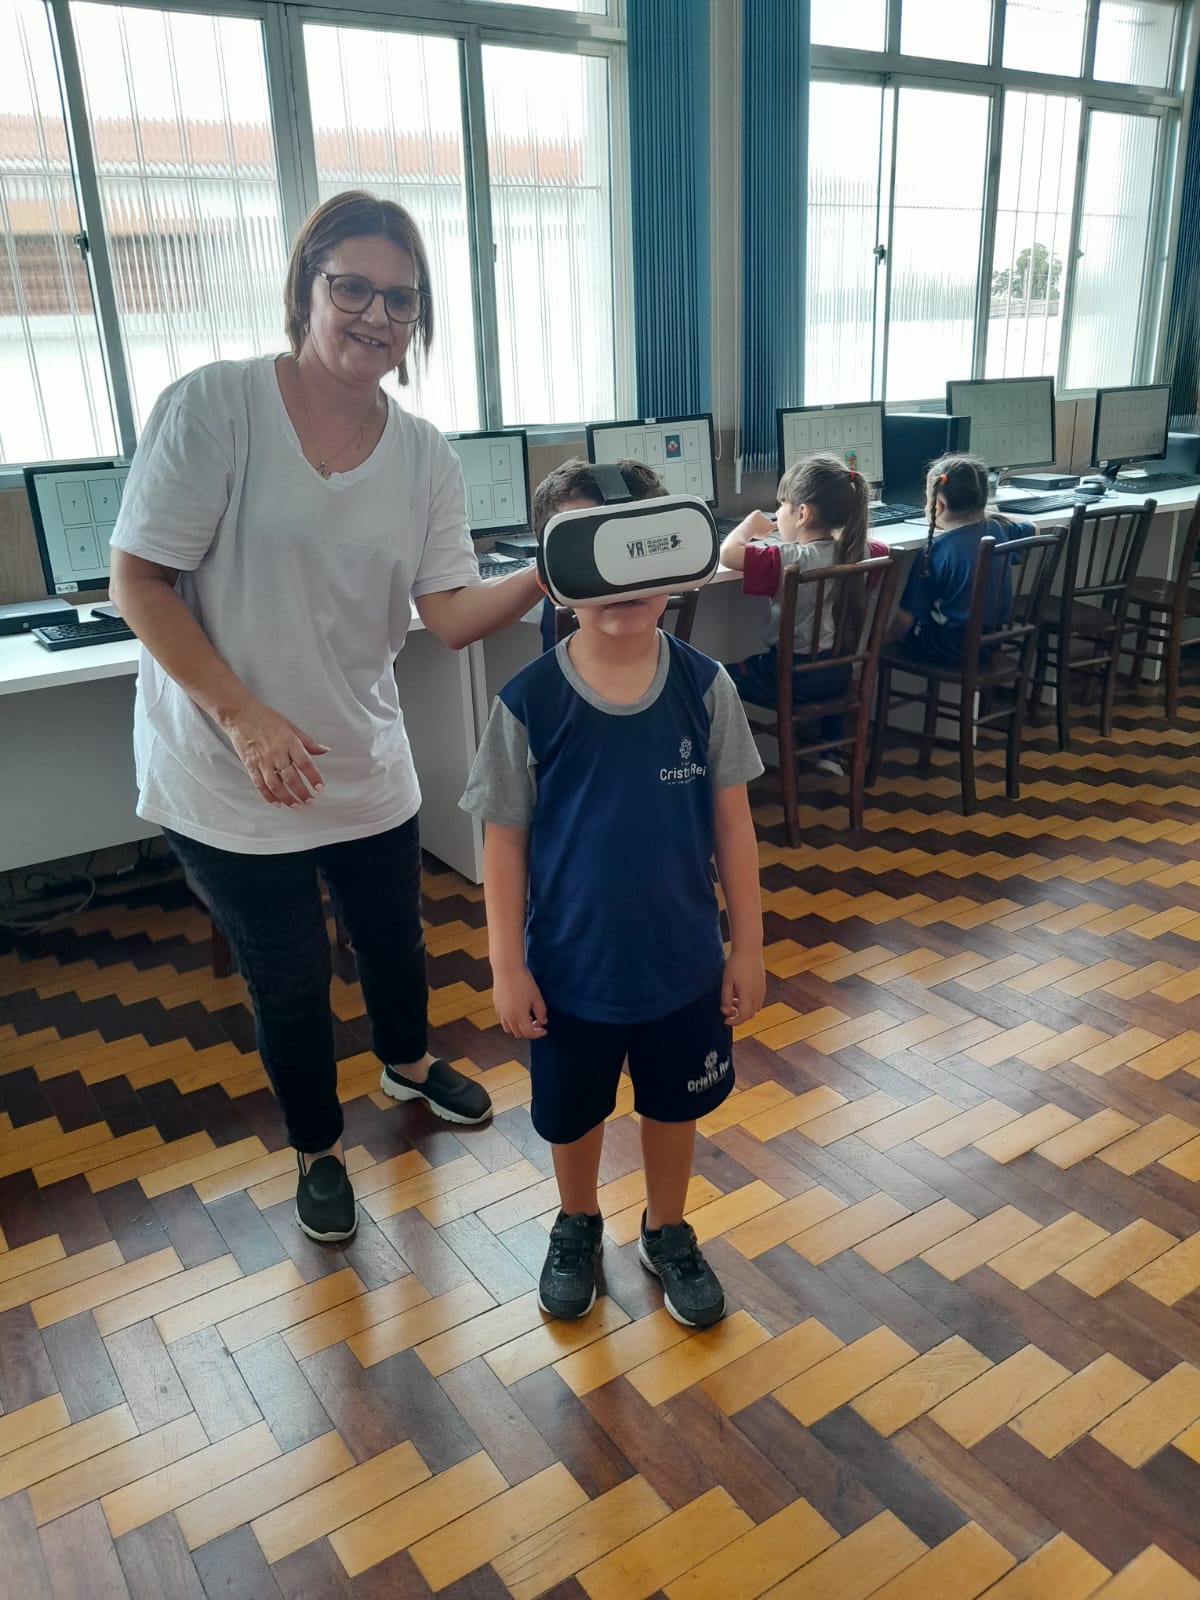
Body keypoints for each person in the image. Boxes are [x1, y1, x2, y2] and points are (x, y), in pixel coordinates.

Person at [108, 191, 545, 1245]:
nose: (376, 315)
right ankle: (316, 1146)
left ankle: (406, 1065)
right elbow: (138, 581)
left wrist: (554, 571)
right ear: (307, 284)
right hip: (227, 769)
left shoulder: (425, 455)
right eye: (353, 287)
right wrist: (243, 716)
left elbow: (449, 615)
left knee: (394, 940)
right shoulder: (216, 407)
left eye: (401, 299)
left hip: (360, 755)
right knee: (291, 976)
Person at [460, 530, 766, 1329]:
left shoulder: (707, 687)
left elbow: (733, 826)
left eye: (637, 556)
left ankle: (666, 1230)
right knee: (572, 1113)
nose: (619, 585)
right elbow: (503, 845)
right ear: (557, 577)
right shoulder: (527, 702)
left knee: (673, 1107)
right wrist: (506, 966)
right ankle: (577, 1222)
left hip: (684, 967)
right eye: (594, 564)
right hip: (570, 972)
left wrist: (748, 947)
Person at [719, 452, 871, 773]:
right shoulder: (860, 552)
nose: (777, 512)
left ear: (802, 513)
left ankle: (728, 766)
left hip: (788, 677)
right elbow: (881, 548)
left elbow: (729, 554)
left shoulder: (788, 558)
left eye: (782, 505)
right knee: (828, 662)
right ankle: (830, 753)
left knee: (715, 677)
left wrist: (747, 526)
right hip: (839, 676)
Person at [890, 453, 1032, 666]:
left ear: (938, 505)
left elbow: (904, 621)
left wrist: (882, 643)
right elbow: (1031, 527)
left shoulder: (936, 550)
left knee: (894, 637)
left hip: (947, 647)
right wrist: (985, 513)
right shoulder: (997, 529)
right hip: (989, 645)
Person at [531, 457, 667, 653]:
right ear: (548, 584)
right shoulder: (536, 680)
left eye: (638, 548)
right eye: (591, 555)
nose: (619, 578)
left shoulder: (707, 673)